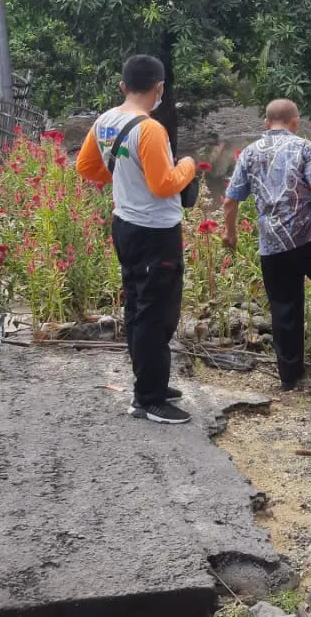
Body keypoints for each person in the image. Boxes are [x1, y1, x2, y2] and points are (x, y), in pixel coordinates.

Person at [77, 55, 196, 424]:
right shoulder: (151, 129)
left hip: (125, 224)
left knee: (138, 307)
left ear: (123, 86)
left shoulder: (104, 121)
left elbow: (86, 167)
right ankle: (149, 400)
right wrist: (188, 166)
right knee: (155, 315)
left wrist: (125, 178)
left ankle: (149, 381)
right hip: (156, 232)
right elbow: (163, 185)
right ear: (159, 87)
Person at [222, 99, 311, 391]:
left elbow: (230, 200)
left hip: (272, 245)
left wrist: (230, 234)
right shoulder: (305, 147)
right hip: (309, 238)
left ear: (266, 123)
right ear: (295, 122)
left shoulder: (249, 153)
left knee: (284, 308)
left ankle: (290, 379)